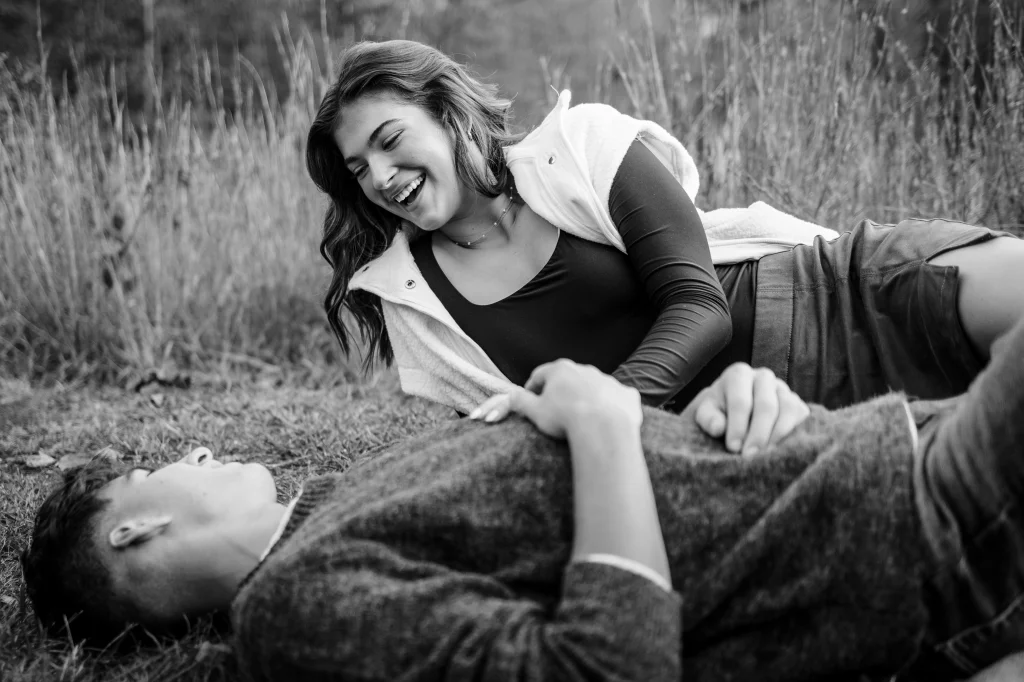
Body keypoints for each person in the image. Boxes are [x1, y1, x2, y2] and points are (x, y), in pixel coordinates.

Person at [23, 315, 1024, 681]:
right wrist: (596, 420)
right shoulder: (293, 613)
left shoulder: (335, 514)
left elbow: (649, 490)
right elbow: (607, 668)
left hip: (873, 453)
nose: (201, 448)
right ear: (136, 524)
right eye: (171, 460)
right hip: (906, 528)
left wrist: (739, 403)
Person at [307, 39, 1024, 418]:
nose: (378, 174)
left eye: (390, 139)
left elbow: (699, 307)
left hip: (834, 302)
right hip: (753, 433)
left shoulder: (579, 147)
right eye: (358, 167)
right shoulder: (413, 307)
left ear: (448, 114)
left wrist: (600, 416)